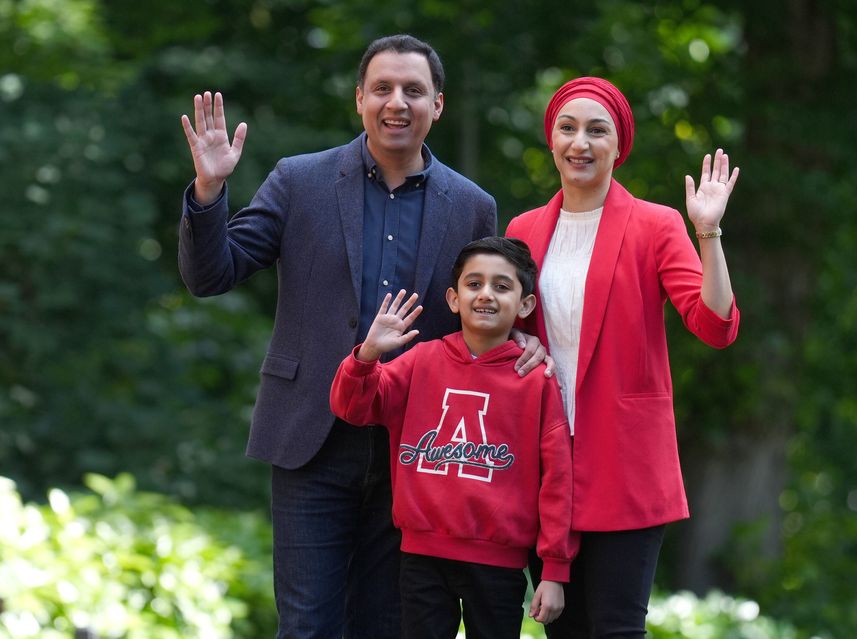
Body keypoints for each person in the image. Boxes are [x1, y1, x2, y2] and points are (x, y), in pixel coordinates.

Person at [177, 35, 548, 639]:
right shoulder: (299, 180)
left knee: (389, 626)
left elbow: (484, 313)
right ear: (359, 99)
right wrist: (210, 192)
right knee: (307, 626)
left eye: (413, 90)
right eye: (382, 88)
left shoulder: (473, 206)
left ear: (439, 104)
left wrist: (524, 344)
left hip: (418, 453)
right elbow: (210, 275)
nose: (396, 102)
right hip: (309, 438)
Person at [505, 77, 742, 637]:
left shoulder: (656, 225)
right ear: (552, 139)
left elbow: (715, 326)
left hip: (624, 465)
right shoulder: (522, 230)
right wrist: (518, 339)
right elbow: (498, 329)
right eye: (567, 128)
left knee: (615, 628)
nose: (580, 142)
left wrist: (707, 232)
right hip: (543, 469)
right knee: (562, 630)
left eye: (596, 130)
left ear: (619, 145)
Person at [330, 236, 578, 639]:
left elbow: (558, 480)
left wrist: (554, 570)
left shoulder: (535, 379)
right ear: (453, 297)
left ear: (525, 304)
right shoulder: (421, 362)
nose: (486, 295)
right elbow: (353, 408)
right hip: (421, 556)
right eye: (474, 284)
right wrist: (368, 355)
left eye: (502, 286)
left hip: (499, 563)